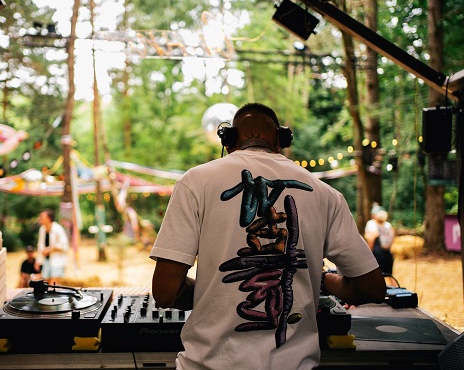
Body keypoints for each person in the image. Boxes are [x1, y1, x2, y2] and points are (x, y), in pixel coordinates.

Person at [150, 103, 386, 369]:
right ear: (280, 141)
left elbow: (165, 292)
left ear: (229, 141)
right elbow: (373, 288)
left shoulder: (194, 182)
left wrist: (214, 291)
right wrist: (326, 281)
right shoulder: (326, 194)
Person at [36, 209, 69, 282]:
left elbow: (64, 246)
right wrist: (38, 260)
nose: (40, 219)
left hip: (57, 260)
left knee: (54, 282)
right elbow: (40, 245)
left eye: (42, 217)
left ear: (49, 218)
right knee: (45, 281)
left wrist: (50, 249)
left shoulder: (58, 229)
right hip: (46, 260)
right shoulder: (42, 229)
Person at [364, 204, 395, 277]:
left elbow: (371, 238)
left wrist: (368, 252)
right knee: (388, 276)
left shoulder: (371, 223)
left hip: (377, 254)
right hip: (388, 255)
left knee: (376, 277)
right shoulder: (388, 225)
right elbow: (392, 237)